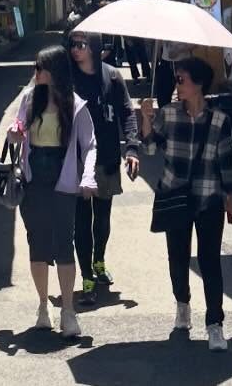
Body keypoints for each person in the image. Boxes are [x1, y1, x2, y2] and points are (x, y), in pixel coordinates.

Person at [140, 56, 232, 353]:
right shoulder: (168, 115)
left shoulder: (220, 120)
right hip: (175, 195)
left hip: (209, 198)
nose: (176, 85)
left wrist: (231, 195)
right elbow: (149, 147)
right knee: (178, 258)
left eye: (181, 80)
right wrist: (146, 117)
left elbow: (227, 161)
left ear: (198, 85)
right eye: (176, 80)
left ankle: (215, 324)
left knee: (209, 261)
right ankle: (182, 304)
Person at [8, 44, 98, 337]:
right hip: (34, 177)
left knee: (64, 242)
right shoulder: (29, 98)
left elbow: (90, 144)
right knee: (37, 241)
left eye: (39, 68)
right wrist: (14, 134)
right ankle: (43, 307)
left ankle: (68, 311)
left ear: (53, 71)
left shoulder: (74, 104)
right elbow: (18, 130)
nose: (34, 73)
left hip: (63, 174)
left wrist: (88, 177)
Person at [68, 32, 141, 306]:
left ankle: (99, 260)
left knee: (102, 219)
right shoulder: (68, 80)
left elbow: (126, 113)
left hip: (107, 157)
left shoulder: (112, 77)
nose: (75, 50)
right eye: (72, 45)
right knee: (80, 223)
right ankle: (86, 275)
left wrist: (132, 148)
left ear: (95, 48)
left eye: (81, 45)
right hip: (76, 161)